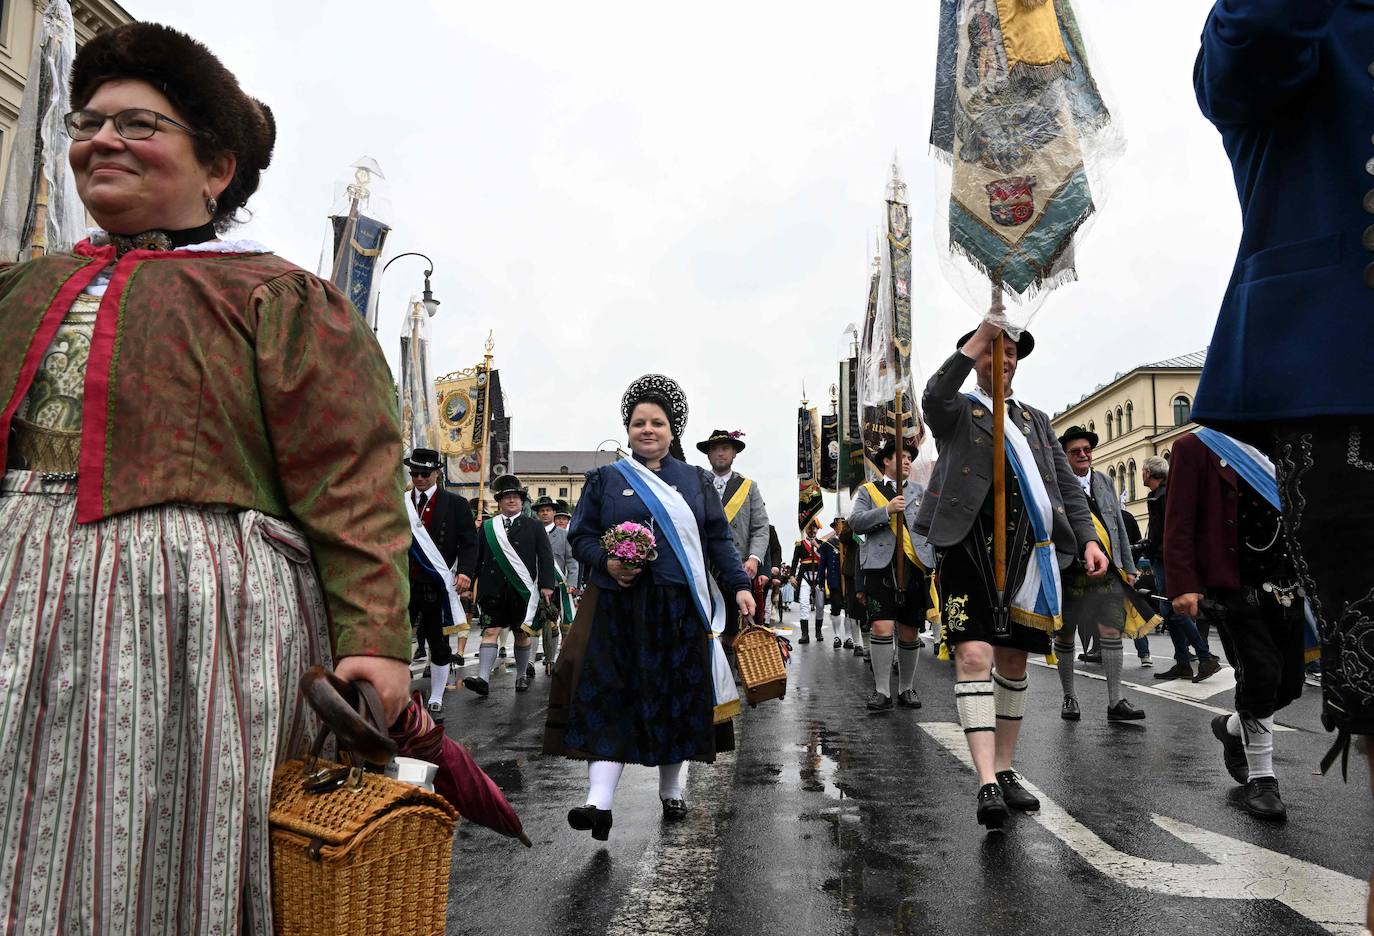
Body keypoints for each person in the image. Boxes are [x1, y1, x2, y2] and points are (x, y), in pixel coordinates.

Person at [0, 23, 411, 932]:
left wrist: (374, 636)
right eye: (88, 121)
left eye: (138, 123)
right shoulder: (21, 288)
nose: (99, 139)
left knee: (173, 835)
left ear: (215, 167)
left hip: (198, 619)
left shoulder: (273, 293)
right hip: (16, 593)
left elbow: (351, 475)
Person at [1193, 4, 1373, 866]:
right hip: (1350, 396)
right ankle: (1257, 756)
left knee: (1281, 676)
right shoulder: (1296, 24)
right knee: (1278, 679)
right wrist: (1190, 583)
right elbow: (1253, 44)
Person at [916, 322, 1109, 830]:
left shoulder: (1037, 421)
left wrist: (1088, 538)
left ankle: (1004, 768)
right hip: (967, 549)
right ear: (977, 353)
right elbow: (933, 395)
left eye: (1011, 353)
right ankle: (984, 779)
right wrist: (978, 336)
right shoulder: (959, 411)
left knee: (1014, 662)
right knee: (973, 654)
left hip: (1030, 552)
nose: (1003, 359)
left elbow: (1064, 488)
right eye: (993, 350)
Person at [544, 374, 753, 840]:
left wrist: (738, 585)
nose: (647, 430)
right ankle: (598, 803)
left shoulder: (696, 481)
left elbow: (717, 540)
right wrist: (608, 561)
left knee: (673, 701)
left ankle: (672, 789)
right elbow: (580, 537)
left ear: (672, 430)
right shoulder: (606, 480)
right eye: (638, 423)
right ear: (628, 429)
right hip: (617, 609)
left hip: (677, 609)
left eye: (657, 422)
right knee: (610, 698)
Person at [1164, 430, 1306, 820]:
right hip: (1232, 584)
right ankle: (1263, 778)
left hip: (1286, 582)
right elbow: (1178, 520)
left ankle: (1230, 728)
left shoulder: (1283, 444)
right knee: (1259, 673)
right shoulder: (1196, 447)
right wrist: (1184, 583)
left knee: (1290, 683)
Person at [1053, 426, 1146, 723]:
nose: (1083, 455)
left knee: (1111, 630)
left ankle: (1115, 700)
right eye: (1075, 451)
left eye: (1086, 450)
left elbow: (1117, 527)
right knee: (1066, 635)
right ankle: (1069, 697)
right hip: (1068, 570)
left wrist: (1129, 567)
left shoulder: (1105, 481)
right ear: (1065, 456)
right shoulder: (1054, 485)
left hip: (1107, 571)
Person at [850, 437, 930, 711]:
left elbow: (931, 527)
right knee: (881, 627)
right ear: (886, 460)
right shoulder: (868, 491)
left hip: (913, 565)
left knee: (909, 631)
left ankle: (906, 688)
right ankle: (882, 691)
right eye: (902, 456)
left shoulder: (920, 491)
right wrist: (886, 510)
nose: (908, 461)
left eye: (910, 457)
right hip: (879, 567)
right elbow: (855, 523)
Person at [464, 474, 555, 696]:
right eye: (506, 498)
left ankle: (521, 675)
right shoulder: (487, 527)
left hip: (521, 590)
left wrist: (546, 585)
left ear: (521, 501)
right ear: (499, 501)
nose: (511, 501)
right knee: (490, 630)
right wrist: (469, 582)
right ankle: (483, 679)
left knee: (521, 634)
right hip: (492, 588)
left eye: (515, 497)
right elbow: (477, 557)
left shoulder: (534, 526)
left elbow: (545, 557)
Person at [406, 447, 477, 715]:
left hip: (437, 582)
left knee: (438, 640)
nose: (419, 478)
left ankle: (436, 694)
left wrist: (466, 572)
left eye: (425, 473)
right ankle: (398, 695)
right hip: (404, 582)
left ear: (437, 472)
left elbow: (470, 543)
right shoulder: (401, 501)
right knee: (399, 639)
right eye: (414, 473)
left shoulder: (456, 505)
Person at [1140, 455, 1221, 683]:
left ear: (1148, 473)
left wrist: (1154, 547)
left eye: (1143, 471)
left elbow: (1170, 529)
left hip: (1165, 558)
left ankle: (1204, 657)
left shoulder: (1164, 495)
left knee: (1172, 609)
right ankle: (1183, 663)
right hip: (1162, 556)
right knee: (1169, 612)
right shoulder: (1158, 494)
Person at [697, 428, 771, 639]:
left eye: (725, 448)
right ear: (708, 454)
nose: (720, 453)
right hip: (703, 566)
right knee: (704, 628)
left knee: (732, 630)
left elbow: (760, 527)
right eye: (715, 449)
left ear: (734, 453)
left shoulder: (748, 487)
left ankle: (729, 672)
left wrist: (754, 558)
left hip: (736, 567)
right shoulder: (697, 483)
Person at [533, 494, 579, 676]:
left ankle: (563, 657)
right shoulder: (533, 533)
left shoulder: (564, 535)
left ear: (553, 512)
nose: (544, 513)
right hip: (537, 585)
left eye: (548, 510)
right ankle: (548, 659)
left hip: (559, 585)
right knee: (542, 624)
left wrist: (572, 583)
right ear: (537, 514)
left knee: (564, 625)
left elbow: (572, 561)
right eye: (541, 510)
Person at [821, 517, 863, 652]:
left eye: (843, 525)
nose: (840, 528)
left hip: (850, 579)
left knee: (850, 610)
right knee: (836, 608)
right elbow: (822, 565)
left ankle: (848, 637)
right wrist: (821, 582)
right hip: (835, 581)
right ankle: (837, 636)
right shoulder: (828, 545)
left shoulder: (852, 540)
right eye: (838, 526)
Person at [790, 521, 825, 644]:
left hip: (819, 576)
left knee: (820, 605)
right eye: (811, 528)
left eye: (815, 528)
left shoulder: (821, 544)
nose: (813, 530)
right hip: (804, 576)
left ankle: (818, 631)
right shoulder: (800, 544)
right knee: (804, 604)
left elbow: (825, 558)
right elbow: (795, 561)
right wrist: (791, 576)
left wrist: (816, 545)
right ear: (807, 529)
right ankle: (805, 635)